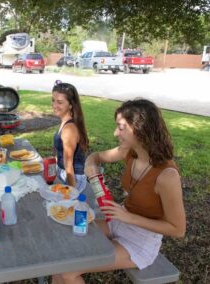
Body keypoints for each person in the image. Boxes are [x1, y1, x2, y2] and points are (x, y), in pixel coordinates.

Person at [53, 99, 186, 284]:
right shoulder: (130, 151)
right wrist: (91, 164)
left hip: (141, 241)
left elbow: (178, 229)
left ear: (140, 128)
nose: (116, 133)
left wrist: (129, 217)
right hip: (118, 222)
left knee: (69, 271)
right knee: (62, 252)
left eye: (121, 127)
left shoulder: (167, 176)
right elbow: (96, 156)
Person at [52, 80, 89, 191]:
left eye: (60, 102)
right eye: (53, 100)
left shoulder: (69, 129)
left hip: (73, 178)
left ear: (71, 105)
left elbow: (69, 166)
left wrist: (72, 193)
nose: (54, 105)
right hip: (63, 173)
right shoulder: (65, 122)